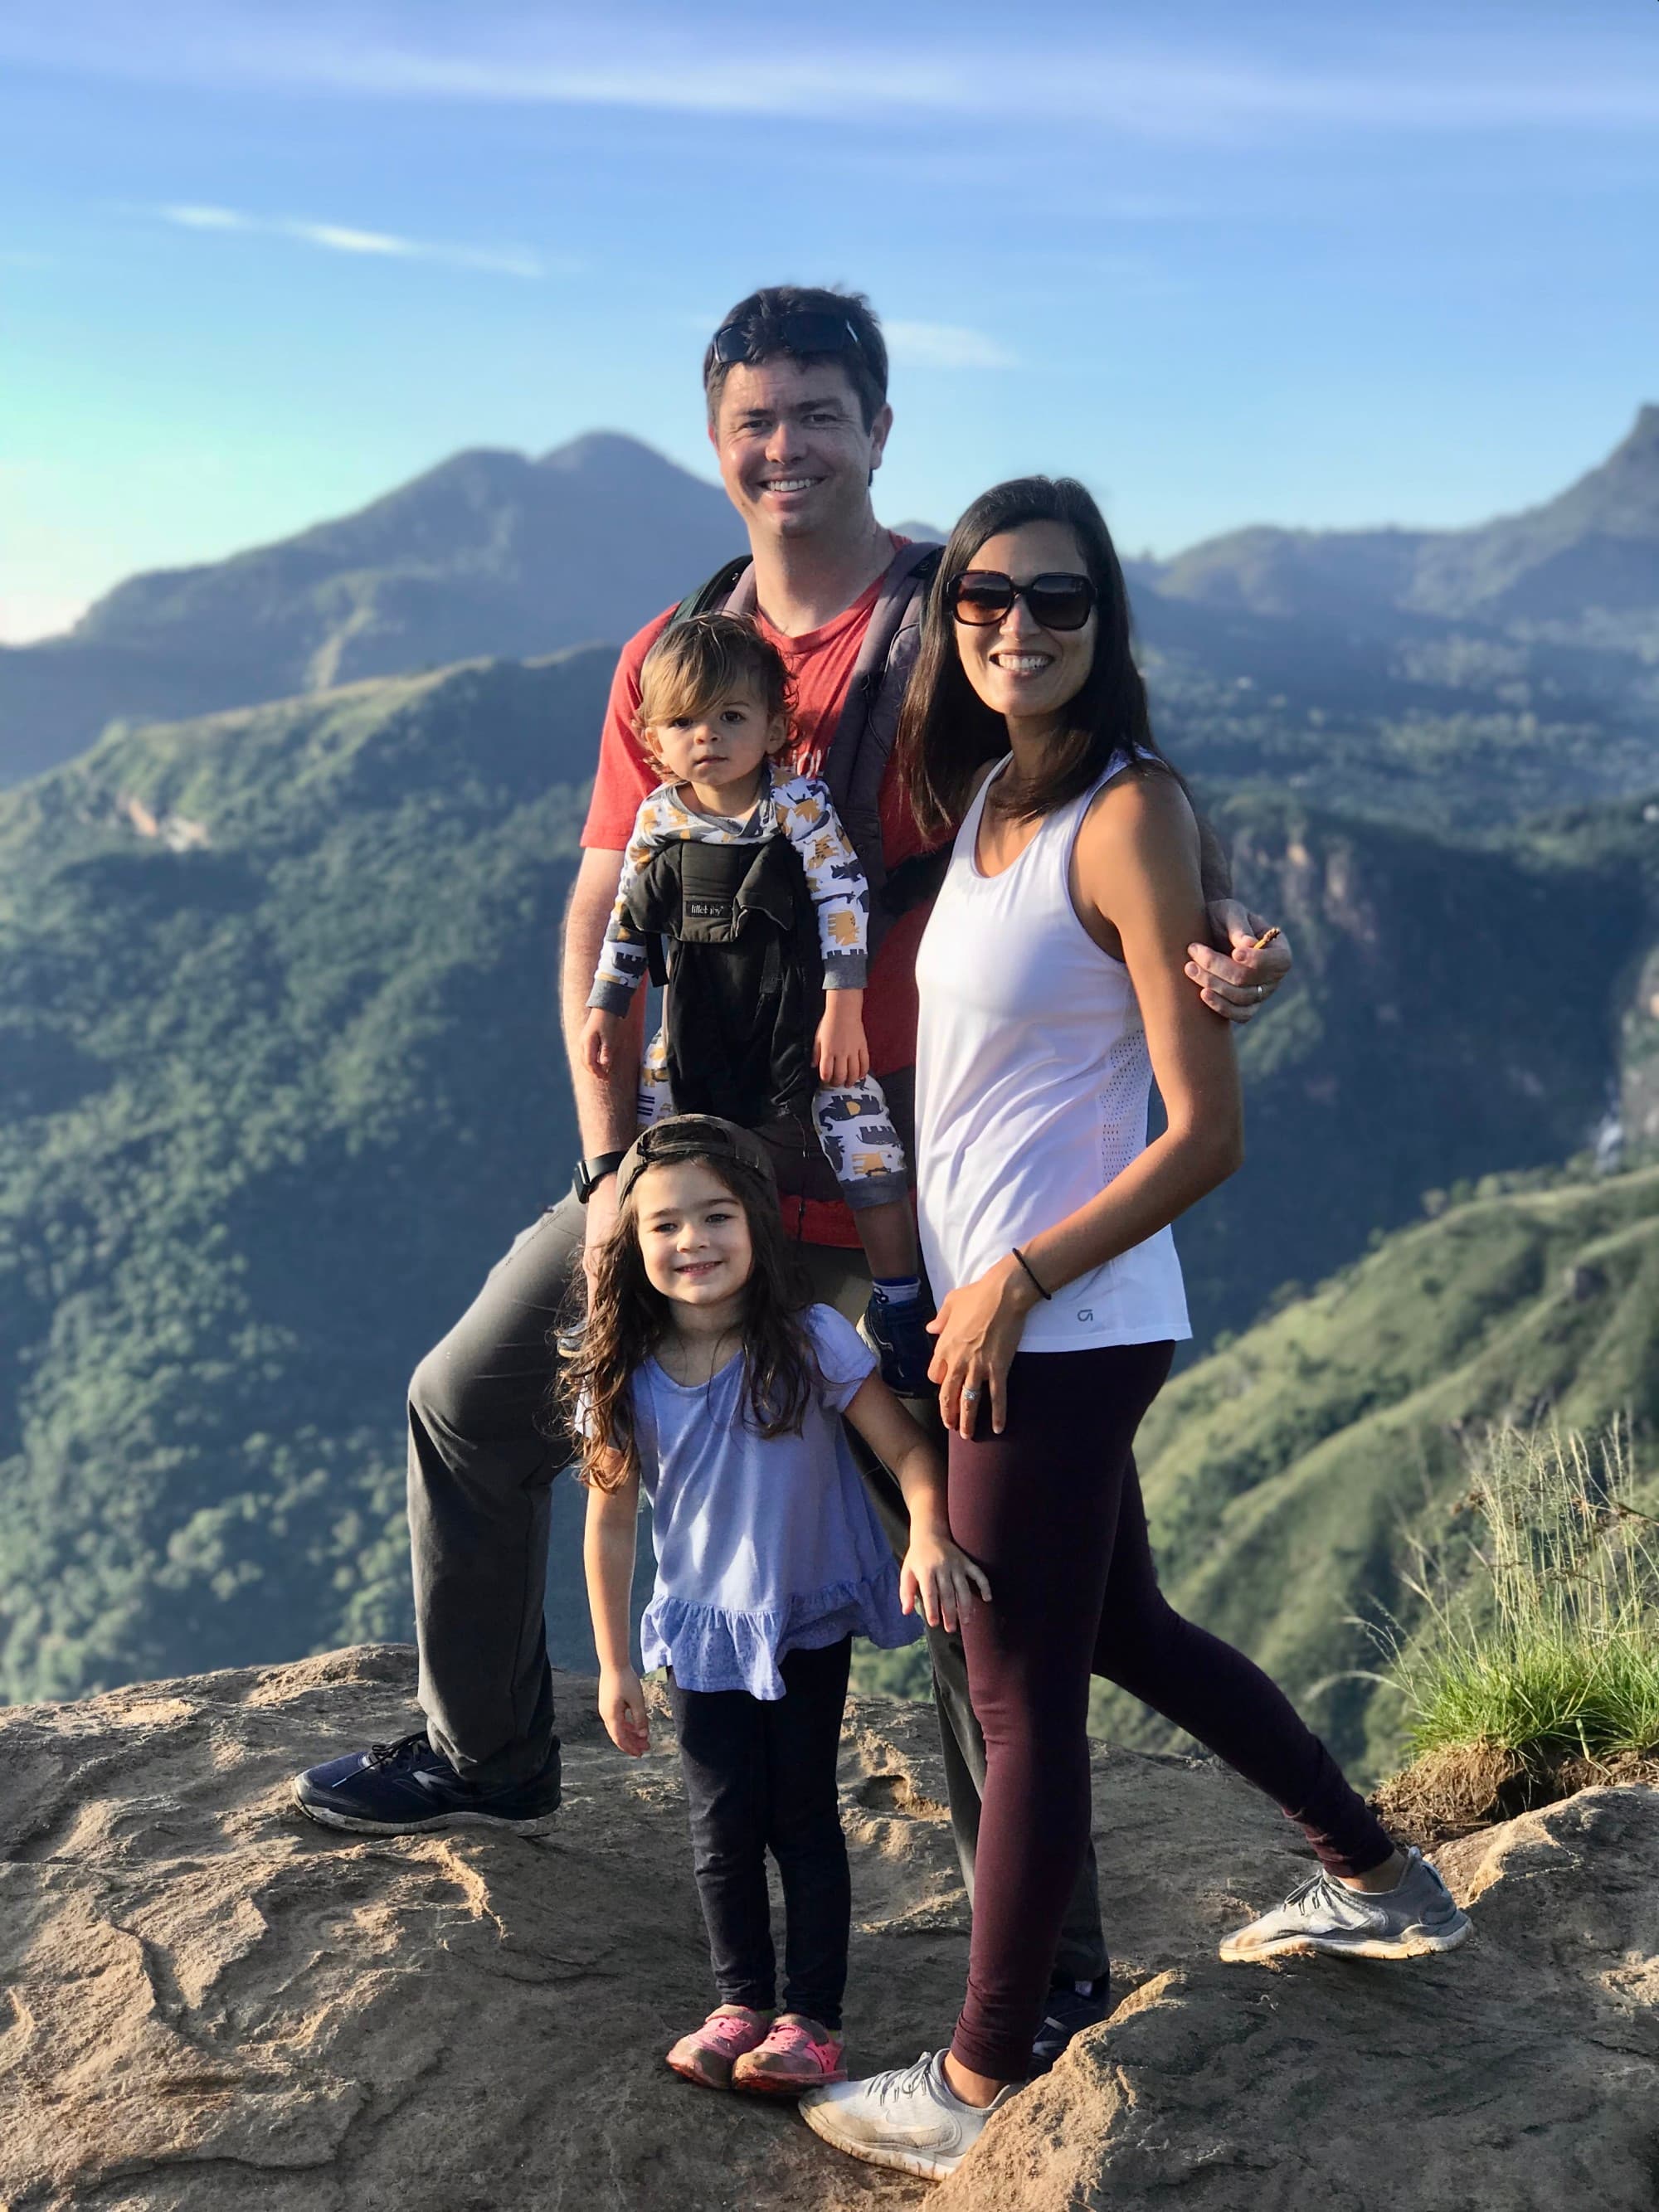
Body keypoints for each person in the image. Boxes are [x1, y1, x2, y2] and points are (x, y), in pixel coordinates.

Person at [291, 286, 1293, 2067]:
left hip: (898, 1167)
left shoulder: (948, 619)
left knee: (966, 1561)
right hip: (690, 1157)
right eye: (756, 418)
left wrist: (1210, 926)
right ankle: (489, 1744)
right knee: (467, 1397)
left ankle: (1053, 1960)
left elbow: (1095, 774)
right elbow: (607, 887)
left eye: (819, 414)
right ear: (715, 436)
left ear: (880, 430)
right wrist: (611, 1158)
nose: (786, 447)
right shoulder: (674, 655)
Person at [800, 478, 1470, 2183]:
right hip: (1004, 1317)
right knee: (1125, 1629)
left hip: (1057, 1322)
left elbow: (1205, 1128)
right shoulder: (992, 808)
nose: (1016, 627)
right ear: (949, 621)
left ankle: (975, 2073)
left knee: (1010, 1692)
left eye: (1058, 602)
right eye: (982, 602)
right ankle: (1381, 1877)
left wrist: (1015, 1278)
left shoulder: (1118, 809)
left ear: (1106, 625)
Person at [572, 1115, 990, 2094]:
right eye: (664, 1227)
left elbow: (907, 1450)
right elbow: (608, 1524)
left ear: (756, 1225)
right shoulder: (625, 1378)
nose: (692, 1243)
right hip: (697, 1632)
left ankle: (811, 2019)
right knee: (719, 1825)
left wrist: (927, 1529)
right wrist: (614, 1664)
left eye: (715, 1217)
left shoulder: (808, 1342)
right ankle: (736, 2003)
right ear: (633, 1250)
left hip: (798, 1618)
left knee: (800, 1815)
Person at [581, 613, 932, 1391]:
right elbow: (629, 920)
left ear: (776, 726)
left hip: (798, 1019)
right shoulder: (659, 820)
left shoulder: (797, 807)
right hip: (693, 1024)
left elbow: (844, 898)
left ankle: (901, 1300)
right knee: (660, 1156)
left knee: (864, 1143)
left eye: (731, 716)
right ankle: (628, 1303)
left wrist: (845, 1008)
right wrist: (608, 1004)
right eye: (683, 722)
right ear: (653, 739)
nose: (708, 737)